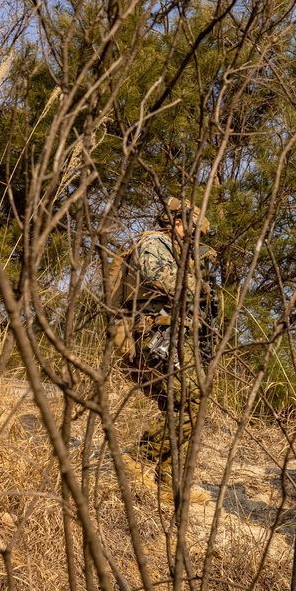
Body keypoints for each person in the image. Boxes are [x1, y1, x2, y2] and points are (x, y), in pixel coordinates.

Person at [113, 196, 212, 484]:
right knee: (192, 400)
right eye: (193, 234)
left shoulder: (180, 256)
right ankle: (137, 457)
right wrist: (199, 287)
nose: (195, 242)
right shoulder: (154, 242)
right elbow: (159, 276)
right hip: (155, 331)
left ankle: (168, 484)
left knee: (181, 405)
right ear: (178, 223)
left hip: (173, 332)